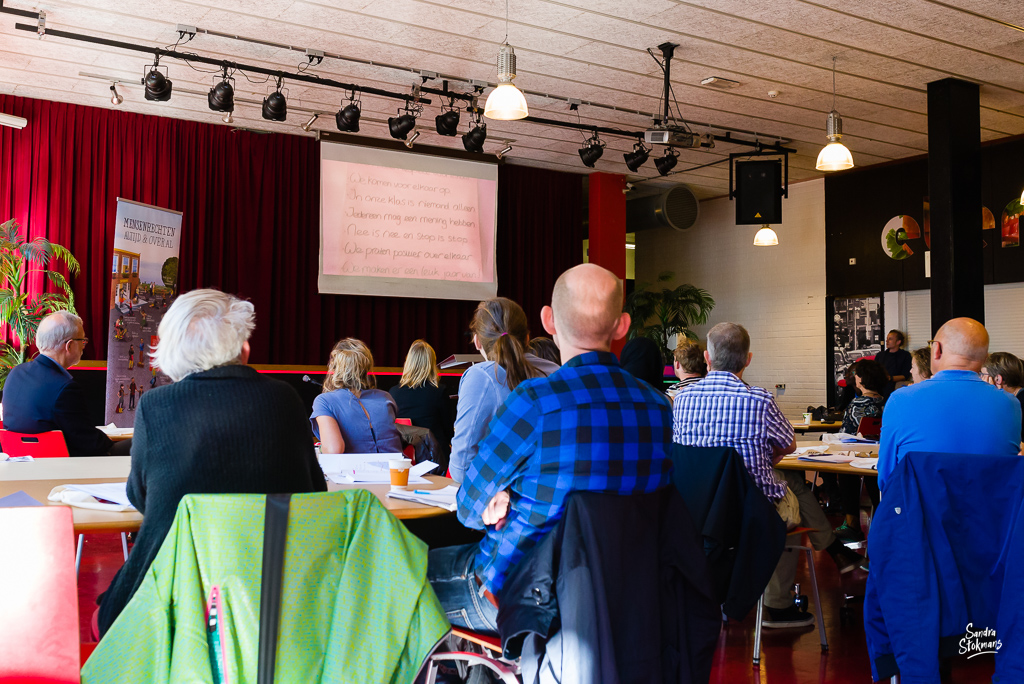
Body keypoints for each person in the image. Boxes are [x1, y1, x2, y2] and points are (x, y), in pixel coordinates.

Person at [428, 264, 673, 635]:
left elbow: (469, 508)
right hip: (626, 596)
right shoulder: (657, 407)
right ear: (622, 326)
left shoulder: (535, 402)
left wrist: (500, 498)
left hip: (523, 594)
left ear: (549, 321)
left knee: (388, 577)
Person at [97, 289, 326, 635]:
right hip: (275, 601)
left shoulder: (155, 406)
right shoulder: (285, 399)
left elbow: (140, 497)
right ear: (242, 347)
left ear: (172, 346)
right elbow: (313, 493)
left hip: (172, 606)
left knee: (106, 615)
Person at [673, 322, 867, 628]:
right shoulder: (759, 400)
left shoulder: (682, 401)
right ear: (748, 359)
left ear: (707, 359)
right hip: (749, 514)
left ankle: (829, 552)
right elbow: (787, 445)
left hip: (698, 512)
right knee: (790, 496)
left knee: (787, 488)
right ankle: (779, 603)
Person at [878, 318, 1022, 490]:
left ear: (936, 349)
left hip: (919, 513)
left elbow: (886, 478)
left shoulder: (900, 400)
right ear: (985, 358)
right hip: (990, 514)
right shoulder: (1010, 404)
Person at [448, 297, 560, 482]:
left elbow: (462, 468)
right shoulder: (557, 373)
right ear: (527, 338)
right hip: (555, 497)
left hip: (502, 502)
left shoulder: (480, 377)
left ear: (477, 341)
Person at [1, 311, 117, 456]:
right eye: (83, 341)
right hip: (63, 467)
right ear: (69, 346)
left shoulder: (15, 373)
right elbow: (90, 443)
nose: (83, 347)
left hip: (20, 465)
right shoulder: (64, 387)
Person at [310, 338, 403, 454]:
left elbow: (334, 450)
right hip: (398, 470)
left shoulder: (324, 401)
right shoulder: (386, 398)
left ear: (334, 366)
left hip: (355, 470)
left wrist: (319, 450)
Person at [833, 359, 887, 542]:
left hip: (857, 457)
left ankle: (852, 523)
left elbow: (844, 435)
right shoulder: (885, 402)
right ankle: (881, 521)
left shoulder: (856, 405)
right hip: (880, 459)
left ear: (862, 379)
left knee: (844, 471)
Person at [389, 339, 453, 451]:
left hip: (405, 457)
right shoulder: (439, 392)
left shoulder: (393, 393)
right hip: (435, 458)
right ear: (432, 364)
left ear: (408, 362)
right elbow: (448, 432)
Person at [981, 351, 1024, 445]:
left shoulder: (1019, 401)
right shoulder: (1012, 397)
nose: (981, 378)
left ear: (998, 379)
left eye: (983, 374)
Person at [874, 329, 912, 397]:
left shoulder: (905, 355)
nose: (887, 341)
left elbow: (905, 376)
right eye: (887, 339)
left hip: (895, 387)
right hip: (879, 386)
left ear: (898, 342)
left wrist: (889, 378)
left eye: (890, 339)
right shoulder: (880, 355)